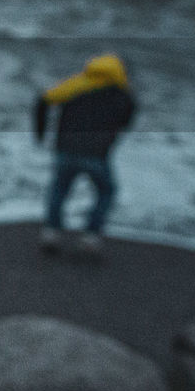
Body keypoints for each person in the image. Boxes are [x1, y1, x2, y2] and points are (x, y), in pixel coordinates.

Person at [33, 53, 137, 254]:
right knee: (106, 191)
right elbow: (126, 121)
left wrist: (40, 133)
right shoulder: (122, 95)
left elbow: (43, 100)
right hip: (97, 154)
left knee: (60, 188)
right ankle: (90, 235)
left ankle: (51, 231)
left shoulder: (76, 85)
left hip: (66, 149)